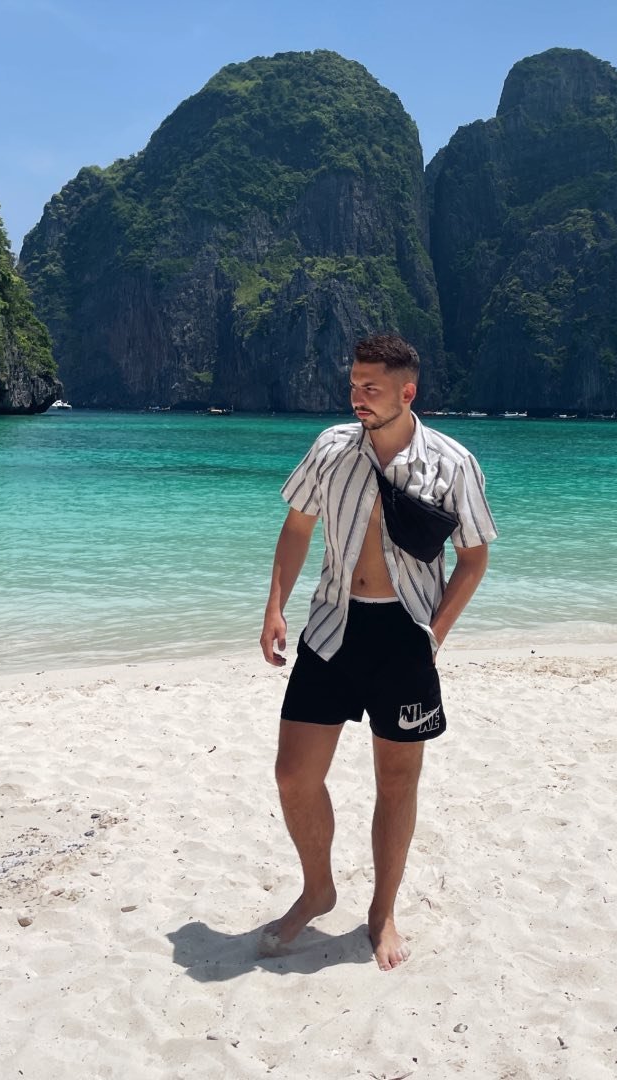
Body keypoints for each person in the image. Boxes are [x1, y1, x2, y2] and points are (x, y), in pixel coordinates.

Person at [258, 333, 497, 970]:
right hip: (332, 626)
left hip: (403, 633)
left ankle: (383, 911)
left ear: (406, 393)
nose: (357, 397)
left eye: (371, 387)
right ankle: (318, 889)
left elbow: (474, 558)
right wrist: (275, 606)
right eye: (353, 384)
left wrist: (434, 634)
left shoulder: (451, 464)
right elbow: (298, 526)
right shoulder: (331, 448)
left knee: (395, 782)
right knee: (293, 775)